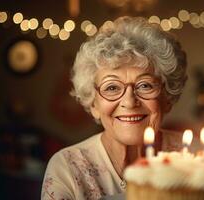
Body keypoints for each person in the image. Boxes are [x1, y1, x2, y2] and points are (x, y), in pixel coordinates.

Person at [41, 16, 188, 200]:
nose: (129, 101)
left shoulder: (191, 154)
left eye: (145, 85)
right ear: (93, 104)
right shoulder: (68, 166)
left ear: (166, 97)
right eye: (112, 87)